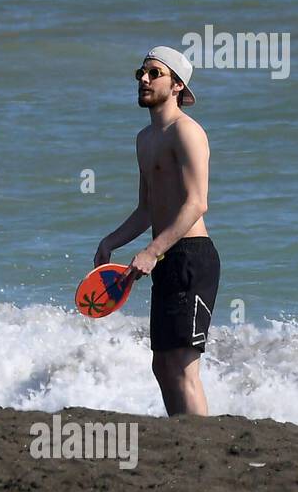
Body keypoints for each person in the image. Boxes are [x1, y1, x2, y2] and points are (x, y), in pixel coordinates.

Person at [94, 46, 220, 416]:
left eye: (154, 74)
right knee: (161, 365)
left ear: (177, 85)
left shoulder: (188, 132)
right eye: (141, 74)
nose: (144, 80)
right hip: (164, 258)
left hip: (191, 257)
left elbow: (196, 203)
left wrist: (152, 251)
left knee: (182, 366)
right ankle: (184, 441)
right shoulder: (144, 139)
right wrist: (111, 242)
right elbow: (147, 209)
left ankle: (203, 447)